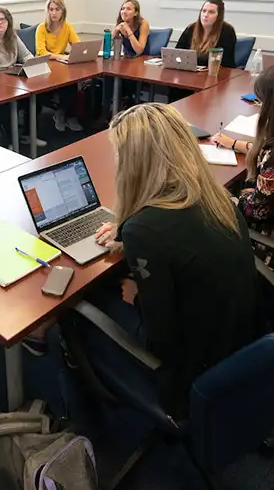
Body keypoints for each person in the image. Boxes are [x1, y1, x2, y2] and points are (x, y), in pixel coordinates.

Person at [76, 103, 263, 418]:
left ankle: (86, 402)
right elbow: (177, 237)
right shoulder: (216, 197)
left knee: (81, 304)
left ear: (136, 164)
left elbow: (161, 338)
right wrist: (127, 230)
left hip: (189, 374)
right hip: (238, 346)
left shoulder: (145, 230)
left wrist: (136, 298)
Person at [212, 66, 274, 263]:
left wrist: (221, 195)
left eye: (261, 102)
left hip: (264, 244)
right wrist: (235, 144)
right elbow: (266, 152)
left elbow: (253, 212)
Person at [0, 6, 46, 147]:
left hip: (9, 81)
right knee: (5, 106)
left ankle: (28, 135)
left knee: (36, 98)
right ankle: (10, 142)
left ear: (8, 22)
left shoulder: (12, 36)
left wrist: (31, 63)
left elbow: (26, 55)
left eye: (2, 20)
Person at [35, 0, 83, 132]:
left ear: (63, 11)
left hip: (60, 66)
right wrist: (61, 56)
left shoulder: (67, 27)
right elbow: (41, 52)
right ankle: (60, 113)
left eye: (57, 9)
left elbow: (78, 45)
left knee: (73, 83)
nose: (54, 13)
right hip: (44, 67)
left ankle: (65, 114)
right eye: (51, 9)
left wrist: (78, 53)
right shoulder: (42, 28)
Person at [175, 0, 237, 68]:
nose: (205, 15)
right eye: (204, 11)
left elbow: (225, 64)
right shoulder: (191, 28)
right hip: (189, 72)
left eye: (211, 12)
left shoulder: (227, 31)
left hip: (215, 74)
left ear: (219, 16)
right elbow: (177, 53)